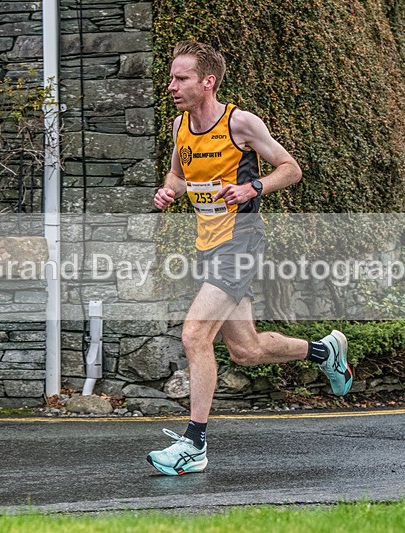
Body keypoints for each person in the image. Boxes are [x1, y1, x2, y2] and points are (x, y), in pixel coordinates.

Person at [149, 40, 353, 476]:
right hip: (207, 244)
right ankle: (326, 351)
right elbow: (179, 174)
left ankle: (194, 445)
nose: (172, 86)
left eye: (181, 78)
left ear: (208, 81)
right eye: (171, 77)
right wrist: (170, 189)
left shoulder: (239, 123)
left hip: (241, 242)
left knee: (194, 336)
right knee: (246, 350)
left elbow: (290, 168)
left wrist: (252, 187)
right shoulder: (179, 127)